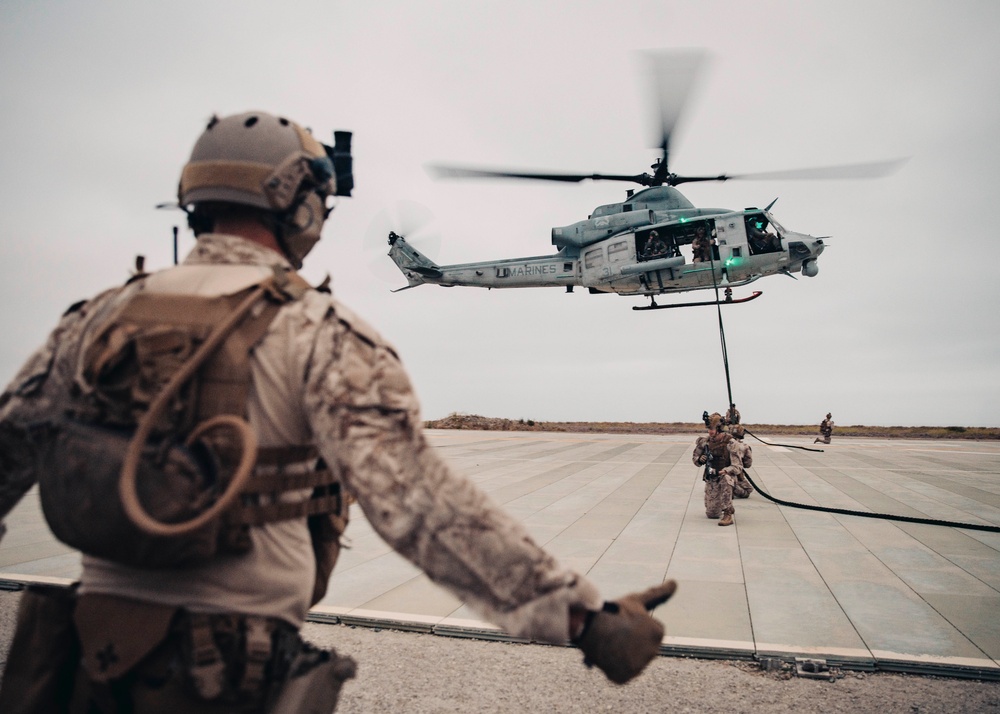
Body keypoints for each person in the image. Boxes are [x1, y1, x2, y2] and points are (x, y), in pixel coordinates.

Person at [0, 111, 676, 712]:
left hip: (81, 665)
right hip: (224, 676)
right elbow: (421, 505)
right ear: (297, 206)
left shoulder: (89, 323)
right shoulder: (319, 333)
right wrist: (587, 620)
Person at [692, 413, 751, 526]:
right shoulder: (705, 442)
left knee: (726, 479)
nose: (710, 432)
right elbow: (695, 459)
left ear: (719, 429)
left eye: (712, 429)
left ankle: (728, 513)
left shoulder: (731, 443)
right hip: (712, 477)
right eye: (709, 429)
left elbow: (737, 467)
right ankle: (722, 501)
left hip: (727, 476)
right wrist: (700, 460)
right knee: (712, 514)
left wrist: (726, 470)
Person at [728, 425, 754, 499]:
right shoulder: (744, 447)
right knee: (748, 491)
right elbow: (748, 464)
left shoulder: (725, 443)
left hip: (722, 471)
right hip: (735, 472)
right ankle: (730, 488)